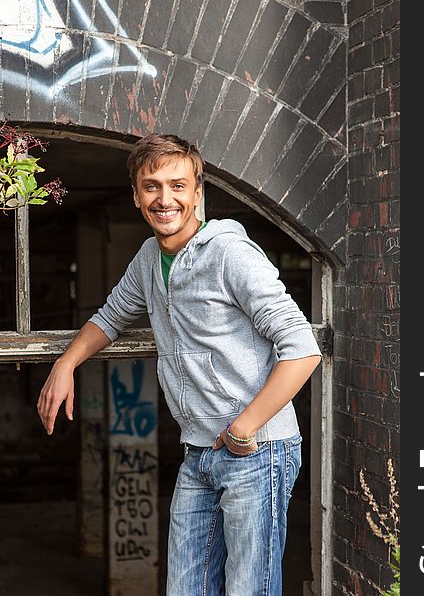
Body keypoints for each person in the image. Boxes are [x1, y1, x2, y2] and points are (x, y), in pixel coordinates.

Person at [37, 133, 322, 595]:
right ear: (136, 195)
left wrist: (242, 429)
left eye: (177, 185)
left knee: (249, 589)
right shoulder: (150, 259)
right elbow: (110, 317)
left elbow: (302, 347)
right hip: (199, 453)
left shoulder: (231, 254)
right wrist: (65, 363)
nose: (164, 199)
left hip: (258, 450)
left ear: (197, 192)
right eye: (151, 186)